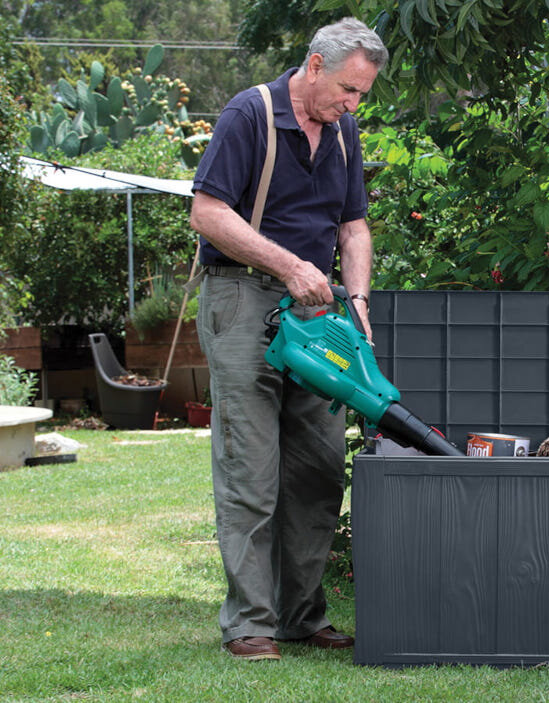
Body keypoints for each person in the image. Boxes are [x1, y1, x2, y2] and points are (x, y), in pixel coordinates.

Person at [188, 18, 388, 661]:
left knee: (321, 466)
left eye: (361, 95)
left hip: (319, 312)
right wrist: (290, 266)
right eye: (348, 90)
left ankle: (303, 615)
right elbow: (208, 213)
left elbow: (353, 227)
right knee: (252, 468)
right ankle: (250, 621)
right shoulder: (250, 114)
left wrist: (355, 298)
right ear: (312, 64)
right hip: (244, 298)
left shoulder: (343, 132)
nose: (353, 105)